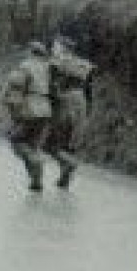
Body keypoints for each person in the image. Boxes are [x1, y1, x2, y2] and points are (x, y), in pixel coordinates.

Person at [46, 35, 95, 189]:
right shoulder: (84, 65)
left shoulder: (56, 63)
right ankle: (64, 179)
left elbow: (51, 86)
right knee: (70, 144)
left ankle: (68, 166)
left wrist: (50, 103)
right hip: (81, 103)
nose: (53, 49)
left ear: (63, 48)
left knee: (50, 143)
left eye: (55, 46)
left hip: (64, 101)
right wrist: (87, 111)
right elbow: (88, 90)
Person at [3, 40, 53, 192]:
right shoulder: (47, 67)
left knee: (16, 141)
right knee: (34, 145)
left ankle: (36, 164)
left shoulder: (25, 66)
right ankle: (35, 180)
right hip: (45, 110)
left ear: (31, 51)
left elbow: (16, 89)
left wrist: (13, 109)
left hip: (29, 109)